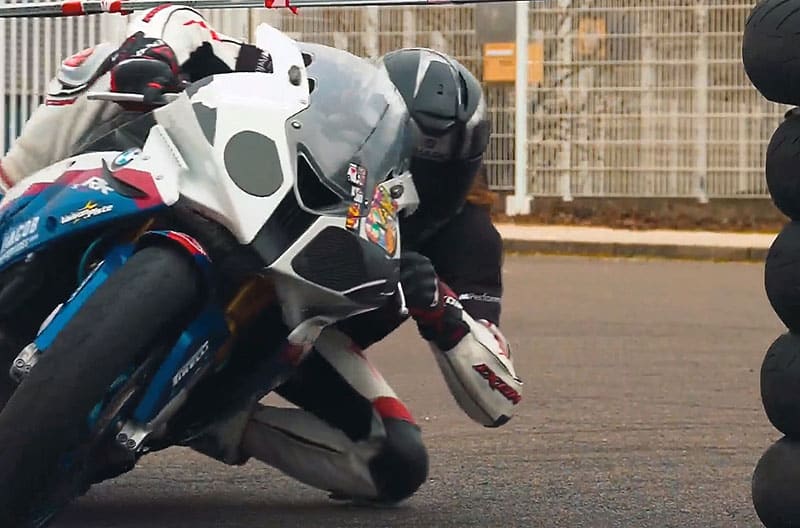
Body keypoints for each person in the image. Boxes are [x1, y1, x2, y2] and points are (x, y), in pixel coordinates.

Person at [0, 5, 523, 506]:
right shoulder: (319, 106)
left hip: (299, 335)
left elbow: (498, 396)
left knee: (395, 462)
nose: (408, 174)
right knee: (94, 62)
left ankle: (216, 419)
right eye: (402, 152)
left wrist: (442, 312)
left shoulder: (466, 235)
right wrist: (154, 51)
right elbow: (183, 20)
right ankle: (12, 183)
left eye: (431, 168)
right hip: (228, 213)